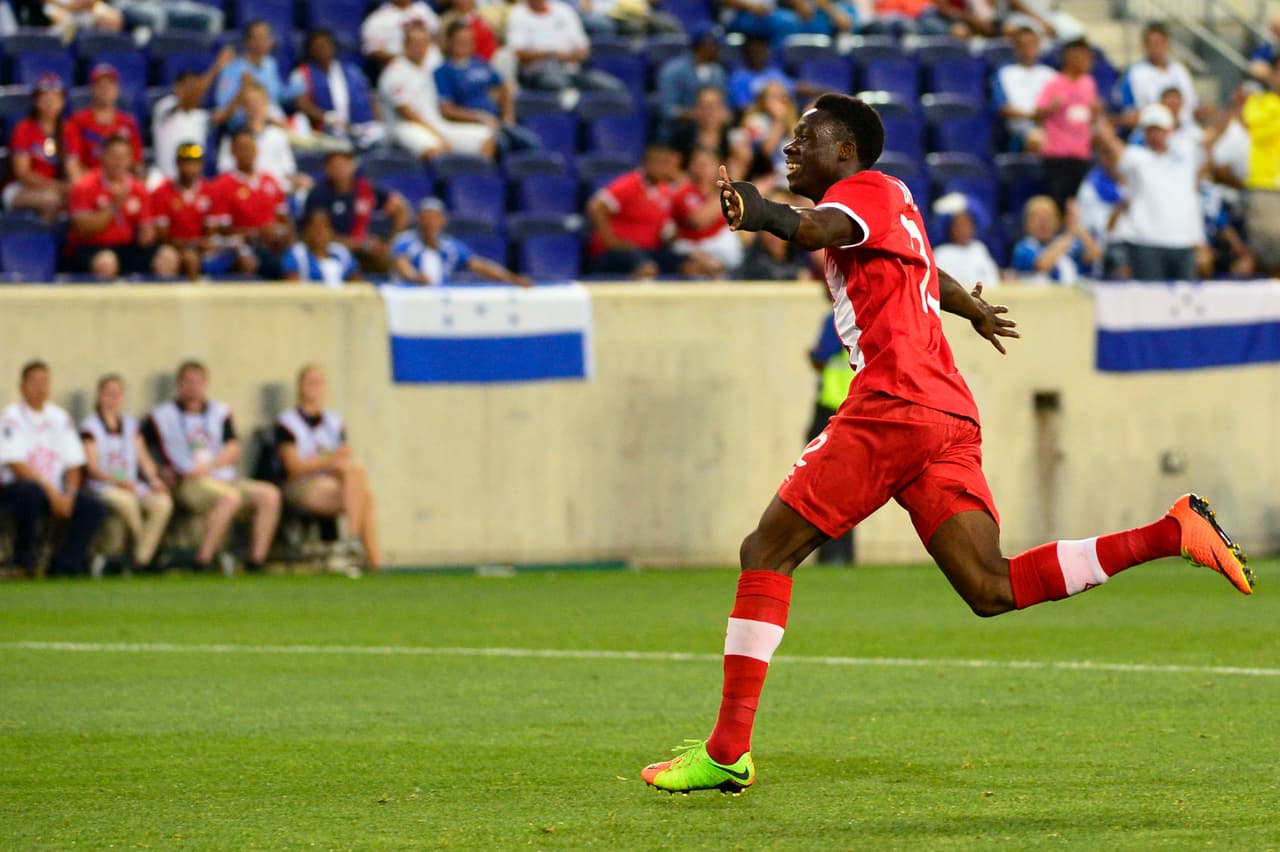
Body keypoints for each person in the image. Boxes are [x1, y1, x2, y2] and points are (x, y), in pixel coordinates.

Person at [639, 92, 1253, 795]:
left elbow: (813, 228)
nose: (789, 148)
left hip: (892, 407)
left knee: (765, 551)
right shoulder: (893, 200)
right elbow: (927, 271)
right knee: (989, 586)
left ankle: (726, 751)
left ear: (843, 150)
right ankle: (1169, 532)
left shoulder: (859, 191)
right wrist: (972, 309)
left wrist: (762, 214)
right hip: (946, 412)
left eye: (804, 138)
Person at [144, 361, 281, 574]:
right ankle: (204, 560)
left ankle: (256, 561)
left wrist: (211, 465)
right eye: (187, 381)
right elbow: (138, 446)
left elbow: (233, 447)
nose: (193, 387)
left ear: (206, 384)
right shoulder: (162, 416)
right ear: (178, 385)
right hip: (190, 483)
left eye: (198, 381)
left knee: (269, 495)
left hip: (221, 477)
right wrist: (158, 472)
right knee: (229, 498)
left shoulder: (220, 412)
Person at [0, 361, 106, 577]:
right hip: (18, 489)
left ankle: (65, 564)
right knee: (30, 492)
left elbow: (74, 463)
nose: (40, 388)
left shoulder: (59, 417)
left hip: (56, 491)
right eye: (34, 383)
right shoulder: (11, 417)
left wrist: (68, 495)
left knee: (93, 506)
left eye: (44, 383)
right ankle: (24, 560)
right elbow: (16, 463)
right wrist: (51, 493)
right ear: (22, 386)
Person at [275, 364, 380, 571]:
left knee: (359, 481)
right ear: (300, 386)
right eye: (309, 382)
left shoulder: (334, 422)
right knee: (364, 497)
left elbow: (342, 460)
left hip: (331, 483)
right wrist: (328, 461)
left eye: (319, 383)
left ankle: (366, 557)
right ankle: (353, 548)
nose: (314, 387)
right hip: (302, 486)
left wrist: (336, 464)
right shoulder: (287, 422)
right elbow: (294, 467)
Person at [1095, 104, 1203, 281]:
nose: (1154, 135)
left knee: (1185, 300)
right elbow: (1107, 139)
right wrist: (1121, 120)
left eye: (1158, 130)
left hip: (1183, 240)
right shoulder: (1136, 158)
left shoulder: (1185, 157)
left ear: (1169, 131)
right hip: (1146, 241)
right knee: (1151, 299)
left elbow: (1212, 138)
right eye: (1149, 130)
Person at [80, 374, 172, 572]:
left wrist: (154, 480)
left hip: (131, 484)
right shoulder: (90, 427)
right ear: (99, 396)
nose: (112, 399)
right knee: (127, 502)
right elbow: (92, 468)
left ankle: (141, 559)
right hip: (104, 486)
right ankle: (148, 554)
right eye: (108, 394)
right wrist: (116, 481)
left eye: (117, 394)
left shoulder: (131, 426)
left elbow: (145, 459)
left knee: (162, 503)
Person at [379, 19, 498, 162]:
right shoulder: (395, 72)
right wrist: (437, 135)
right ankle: (446, 183)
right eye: (415, 43)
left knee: (486, 137)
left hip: (436, 123)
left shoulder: (429, 65)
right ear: (406, 46)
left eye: (424, 42)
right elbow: (407, 114)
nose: (420, 47)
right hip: (406, 128)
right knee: (437, 151)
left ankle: (476, 181)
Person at [66, 136, 175, 278]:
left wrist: (147, 234)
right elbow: (81, 228)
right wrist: (114, 206)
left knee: (168, 257)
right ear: (103, 157)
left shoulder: (138, 189)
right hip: (91, 247)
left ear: (130, 160)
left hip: (128, 248)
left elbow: (146, 230)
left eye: (124, 157)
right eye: (114, 156)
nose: (119, 162)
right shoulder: (84, 186)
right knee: (107, 262)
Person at [434, 20, 539, 153]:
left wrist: (507, 116)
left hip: (497, 121)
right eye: (460, 40)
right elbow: (447, 109)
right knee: (502, 145)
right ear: (449, 42)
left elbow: (504, 86)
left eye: (469, 40)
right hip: (472, 126)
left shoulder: (479, 63)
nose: (465, 44)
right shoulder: (443, 71)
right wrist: (479, 117)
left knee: (531, 143)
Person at [585, 142, 686, 278]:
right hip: (616, 253)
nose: (666, 168)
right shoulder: (630, 184)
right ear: (647, 163)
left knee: (693, 265)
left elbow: (667, 233)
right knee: (646, 267)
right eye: (661, 163)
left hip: (649, 251)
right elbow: (596, 207)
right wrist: (612, 243)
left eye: (668, 163)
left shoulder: (665, 191)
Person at [303, 148, 408, 274]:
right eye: (334, 165)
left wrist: (392, 240)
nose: (339, 169)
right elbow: (315, 233)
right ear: (327, 168)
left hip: (364, 246)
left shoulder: (365, 189)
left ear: (352, 166)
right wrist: (354, 243)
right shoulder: (318, 195)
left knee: (389, 254)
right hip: (331, 247)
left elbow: (400, 208)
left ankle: (390, 288)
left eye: (343, 164)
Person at [207, 129, 293, 277]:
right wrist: (257, 234)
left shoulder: (270, 180)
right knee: (253, 262)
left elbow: (284, 219)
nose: (247, 152)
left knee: (294, 260)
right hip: (242, 245)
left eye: (250, 147)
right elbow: (220, 228)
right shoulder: (222, 185)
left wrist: (282, 234)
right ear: (233, 152)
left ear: (257, 150)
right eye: (242, 148)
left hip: (274, 244)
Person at [391, 197, 533, 286]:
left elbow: (480, 266)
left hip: (438, 302)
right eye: (425, 217)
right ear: (418, 219)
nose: (430, 222)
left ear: (443, 220)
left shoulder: (450, 247)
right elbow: (401, 264)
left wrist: (511, 278)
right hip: (409, 299)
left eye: (434, 217)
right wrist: (415, 277)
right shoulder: (405, 241)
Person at [287, 29, 382, 150]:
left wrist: (377, 120)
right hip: (324, 131)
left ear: (334, 47)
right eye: (318, 46)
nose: (323, 49)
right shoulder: (301, 74)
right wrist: (326, 118)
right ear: (310, 50)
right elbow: (301, 102)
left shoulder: (353, 71)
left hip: (361, 127)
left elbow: (371, 98)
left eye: (326, 45)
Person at [505, 0, 626, 95]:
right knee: (558, 84)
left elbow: (583, 49)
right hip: (539, 74)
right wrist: (550, 54)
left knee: (612, 86)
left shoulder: (563, 10)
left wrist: (572, 56)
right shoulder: (518, 14)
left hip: (572, 71)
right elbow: (518, 53)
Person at [152, 49, 236, 183]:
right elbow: (191, 98)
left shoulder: (200, 115)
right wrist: (217, 67)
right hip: (164, 180)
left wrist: (242, 92)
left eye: (195, 86)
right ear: (176, 87)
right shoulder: (164, 107)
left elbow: (224, 116)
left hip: (193, 181)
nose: (196, 90)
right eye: (189, 86)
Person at [151, 141, 231, 279]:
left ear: (201, 165)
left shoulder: (211, 191)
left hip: (203, 248)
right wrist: (189, 245)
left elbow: (212, 230)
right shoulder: (162, 192)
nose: (190, 168)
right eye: (186, 162)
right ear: (177, 163)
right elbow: (162, 235)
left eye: (194, 163)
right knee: (179, 259)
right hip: (173, 248)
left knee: (236, 255)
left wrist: (203, 244)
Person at [1034, 38, 1098, 210]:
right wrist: (1051, 108)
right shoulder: (1054, 83)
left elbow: (1089, 116)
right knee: (1059, 204)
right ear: (1070, 57)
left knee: (1080, 205)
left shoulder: (1088, 83)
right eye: (1083, 56)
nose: (1088, 61)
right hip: (1058, 154)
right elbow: (1037, 114)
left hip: (1082, 153)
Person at [216, 81, 307, 192]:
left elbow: (288, 170)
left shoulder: (278, 135)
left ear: (266, 104)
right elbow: (224, 169)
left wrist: (297, 181)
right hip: (243, 193)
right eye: (250, 103)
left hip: (275, 192)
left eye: (258, 102)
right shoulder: (233, 137)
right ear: (244, 107)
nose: (255, 107)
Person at [672, 146, 746, 277]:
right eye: (698, 163)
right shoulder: (683, 192)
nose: (702, 168)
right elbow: (698, 220)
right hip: (693, 248)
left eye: (707, 164)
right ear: (690, 166)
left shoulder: (724, 193)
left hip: (726, 254)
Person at [62, 64, 143, 181]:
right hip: (89, 181)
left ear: (117, 89)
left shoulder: (128, 123)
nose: (105, 89)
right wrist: (87, 188)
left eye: (110, 85)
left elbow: (136, 163)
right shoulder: (77, 121)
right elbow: (72, 163)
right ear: (92, 89)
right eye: (100, 86)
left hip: (122, 183)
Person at [5, 73, 67, 223]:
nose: (50, 102)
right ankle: (40, 244)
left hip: (54, 187)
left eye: (55, 98)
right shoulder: (24, 128)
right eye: (45, 97)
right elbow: (22, 173)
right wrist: (58, 187)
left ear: (62, 102)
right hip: (19, 188)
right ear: (36, 101)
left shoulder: (67, 130)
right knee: (53, 200)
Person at [1117, 21, 1197, 129]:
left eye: (1161, 43)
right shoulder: (1135, 73)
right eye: (1153, 44)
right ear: (1144, 46)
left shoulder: (1180, 70)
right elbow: (1131, 112)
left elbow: (1192, 104)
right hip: (1152, 132)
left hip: (1184, 128)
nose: (1157, 48)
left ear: (1167, 44)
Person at [1242, 55, 1280, 273]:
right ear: (1272, 75)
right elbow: (1259, 132)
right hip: (1266, 186)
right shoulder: (1258, 102)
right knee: (1269, 256)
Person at [666, 87, 752, 182]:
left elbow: (744, 164)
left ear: (723, 111)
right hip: (692, 187)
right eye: (704, 107)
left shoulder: (733, 135)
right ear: (695, 110)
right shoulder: (683, 136)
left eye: (714, 107)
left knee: (735, 164)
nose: (709, 112)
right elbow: (672, 169)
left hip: (723, 187)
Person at [991, 27, 1055, 152]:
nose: (1028, 50)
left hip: (1051, 124)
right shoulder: (1004, 73)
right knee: (1038, 139)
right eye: (1022, 45)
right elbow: (1002, 108)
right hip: (1021, 128)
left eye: (1031, 45)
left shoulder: (1050, 74)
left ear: (1038, 46)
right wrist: (1032, 116)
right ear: (1015, 47)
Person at [656, 24, 729, 132]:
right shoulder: (673, 70)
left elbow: (725, 107)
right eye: (716, 45)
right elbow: (667, 110)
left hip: (713, 134)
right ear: (703, 46)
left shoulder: (718, 72)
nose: (719, 49)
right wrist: (698, 115)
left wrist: (722, 116)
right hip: (678, 133)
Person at [1010, 195, 1098, 283]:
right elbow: (1042, 266)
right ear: (1028, 223)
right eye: (1038, 219)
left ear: (1057, 222)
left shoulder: (1067, 241)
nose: (1043, 223)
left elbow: (1095, 255)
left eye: (1048, 218)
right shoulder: (1024, 248)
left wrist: (1077, 228)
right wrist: (1068, 235)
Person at [214, 20, 287, 125]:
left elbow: (279, 95)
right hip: (244, 124)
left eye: (267, 36)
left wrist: (297, 87)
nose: (264, 41)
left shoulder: (271, 64)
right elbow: (223, 110)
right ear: (247, 42)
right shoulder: (231, 68)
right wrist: (243, 90)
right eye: (259, 37)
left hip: (272, 120)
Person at [931, 194, 1000, 287]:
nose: (963, 230)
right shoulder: (941, 253)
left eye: (968, 225)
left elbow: (993, 279)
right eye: (958, 226)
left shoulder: (979, 248)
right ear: (949, 228)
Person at [282, 209, 361, 286]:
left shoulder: (342, 253)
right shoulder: (297, 254)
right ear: (306, 231)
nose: (320, 231)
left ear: (332, 231)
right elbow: (293, 289)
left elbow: (358, 286)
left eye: (325, 226)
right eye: (315, 227)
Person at [362, 0, 441, 69]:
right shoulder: (378, 19)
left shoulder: (423, 9)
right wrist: (403, 59)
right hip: (400, 68)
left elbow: (439, 35)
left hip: (433, 64)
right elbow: (372, 51)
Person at [727, 36, 795, 113]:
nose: (756, 56)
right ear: (746, 54)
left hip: (780, 115)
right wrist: (765, 108)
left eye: (760, 52)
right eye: (753, 52)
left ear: (766, 53)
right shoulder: (739, 77)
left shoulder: (775, 73)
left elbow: (793, 88)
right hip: (752, 117)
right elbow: (741, 107)